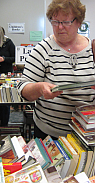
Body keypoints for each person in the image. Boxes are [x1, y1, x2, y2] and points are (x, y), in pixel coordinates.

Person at [17, 0, 95, 139]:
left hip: (87, 134)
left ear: (79, 22)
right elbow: (23, 89)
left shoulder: (93, 50)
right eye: (55, 21)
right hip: (49, 135)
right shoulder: (43, 50)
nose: (59, 27)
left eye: (66, 22)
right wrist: (40, 88)